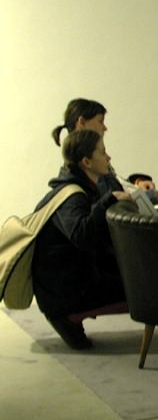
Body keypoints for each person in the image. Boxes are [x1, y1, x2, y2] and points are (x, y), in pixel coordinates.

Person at [32, 129, 132, 350]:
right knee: (142, 287)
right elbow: (82, 235)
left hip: (71, 281)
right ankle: (67, 317)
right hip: (66, 292)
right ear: (86, 162)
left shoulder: (81, 188)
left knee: (135, 275)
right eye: (103, 152)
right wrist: (109, 200)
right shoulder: (72, 196)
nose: (108, 157)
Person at [52, 98, 158, 203]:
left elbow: (115, 188)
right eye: (100, 121)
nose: (105, 127)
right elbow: (112, 201)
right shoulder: (83, 170)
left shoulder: (85, 163)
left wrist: (137, 183)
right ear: (82, 122)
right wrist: (155, 196)